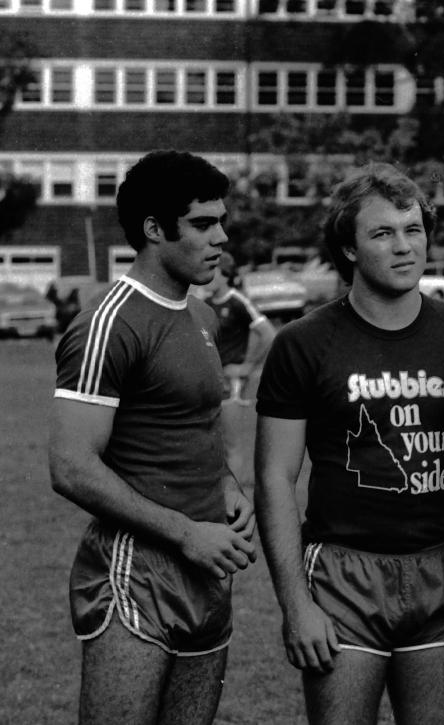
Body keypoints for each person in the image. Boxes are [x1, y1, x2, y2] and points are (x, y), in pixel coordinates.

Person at [254, 162, 444, 725]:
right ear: (348, 248)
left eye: (413, 230)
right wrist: (295, 604)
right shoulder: (302, 343)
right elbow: (273, 477)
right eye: (382, 233)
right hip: (342, 577)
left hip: (441, 570)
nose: (404, 247)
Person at [49, 149, 257, 725]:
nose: (220, 236)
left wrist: (229, 487)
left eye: (221, 220)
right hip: (136, 573)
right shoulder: (107, 323)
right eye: (201, 224)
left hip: (208, 572)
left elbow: (197, 424)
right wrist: (186, 532)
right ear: (153, 229)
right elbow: (70, 466)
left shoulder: (203, 318)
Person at [203, 251, 276, 487]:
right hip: (209, 380)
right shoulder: (205, 304)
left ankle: (236, 498)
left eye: (212, 270)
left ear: (225, 275)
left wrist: (248, 365)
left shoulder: (237, 301)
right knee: (213, 443)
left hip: (230, 383)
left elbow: (268, 334)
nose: (207, 275)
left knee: (232, 443)